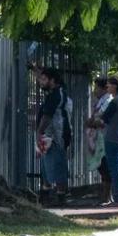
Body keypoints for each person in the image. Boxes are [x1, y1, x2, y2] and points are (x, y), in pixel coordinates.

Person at [34, 68, 72, 206]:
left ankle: (60, 198)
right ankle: (46, 196)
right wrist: (36, 71)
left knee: (57, 166)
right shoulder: (56, 92)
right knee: (46, 167)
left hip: (56, 136)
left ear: (53, 81)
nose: (40, 82)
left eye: (44, 79)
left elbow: (48, 115)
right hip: (50, 136)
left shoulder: (56, 95)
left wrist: (39, 131)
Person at [97, 77, 118, 205]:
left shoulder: (115, 101)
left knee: (115, 169)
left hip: (112, 138)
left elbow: (103, 118)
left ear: (115, 86)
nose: (107, 86)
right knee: (117, 167)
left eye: (109, 84)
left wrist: (94, 120)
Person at [85, 76, 112, 205]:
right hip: (97, 137)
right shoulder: (101, 100)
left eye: (96, 87)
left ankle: (107, 196)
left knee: (106, 166)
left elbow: (101, 119)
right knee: (101, 166)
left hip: (104, 137)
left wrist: (92, 122)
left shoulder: (108, 100)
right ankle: (105, 196)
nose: (95, 90)